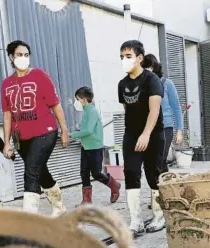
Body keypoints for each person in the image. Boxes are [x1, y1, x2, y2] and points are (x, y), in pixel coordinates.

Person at [1, 40, 69, 216]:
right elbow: (7, 114)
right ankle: (59, 207)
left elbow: (56, 105)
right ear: (11, 56)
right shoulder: (6, 84)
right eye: (18, 54)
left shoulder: (40, 75)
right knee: (40, 171)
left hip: (45, 132)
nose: (23, 58)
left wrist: (64, 130)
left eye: (26, 54)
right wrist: (6, 142)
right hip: (22, 137)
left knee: (30, 172)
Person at [118, 40, 166, 236]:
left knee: (153, 174)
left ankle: (159, 216)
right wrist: (136, 134)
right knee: (130, 172)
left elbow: (154, 111)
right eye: (122, 57)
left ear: (139, 58)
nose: (124, 60)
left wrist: (146, 134)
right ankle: (136, 221)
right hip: (131, 134)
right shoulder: (122, 84)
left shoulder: (151, 79)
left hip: (153, 133)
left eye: (128, 56)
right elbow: (128, 110)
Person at [71, 86, 120, 205]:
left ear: (83, 99)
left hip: (94, 148)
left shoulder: (92, 111)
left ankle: (114, 186)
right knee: (84, 173)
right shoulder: (86, 111)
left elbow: (88, 130)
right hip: (85, 147)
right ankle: (86, 200)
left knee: (96, 173)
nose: (76, 102)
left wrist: (72, 134)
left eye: (77, 99)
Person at [142, 54, 184, 170]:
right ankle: (163, 184)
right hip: (150, 128)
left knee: (159, 159)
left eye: (147, 68)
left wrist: (179, 130)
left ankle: (158, 186)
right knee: (156, 161)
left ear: (154, 67)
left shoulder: (167, 84)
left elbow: (176, 107)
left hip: (165, 127)